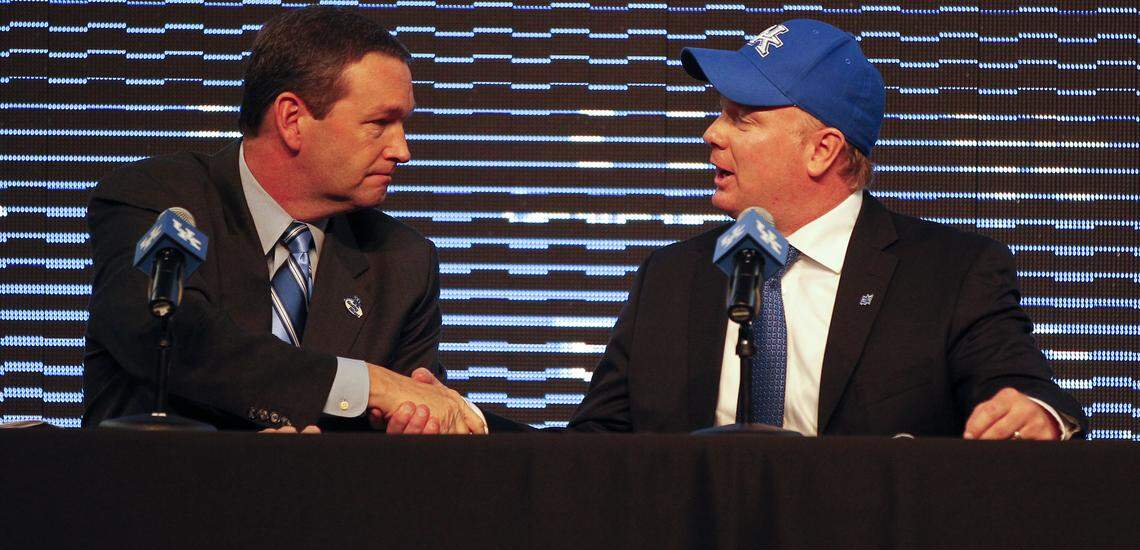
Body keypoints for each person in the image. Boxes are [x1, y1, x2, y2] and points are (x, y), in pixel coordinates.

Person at [568, 19, 1085, 439]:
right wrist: (490, 432)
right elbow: (595, 447)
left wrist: (1036, 415)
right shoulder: (671, 276)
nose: (712, 133)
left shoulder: (951, 273)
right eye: (719, 114)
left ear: (822, 150)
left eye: (741, 118)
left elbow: (1023, 392)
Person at [83, 7, 485, 434]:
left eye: (402, 123)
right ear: (293, 120)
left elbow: (419, 405)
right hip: (162, 493)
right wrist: (373, 386)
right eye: (380, 123)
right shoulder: (160, 200)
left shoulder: (403, 262)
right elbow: (174, 338)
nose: (402, 150)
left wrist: (424, 424)